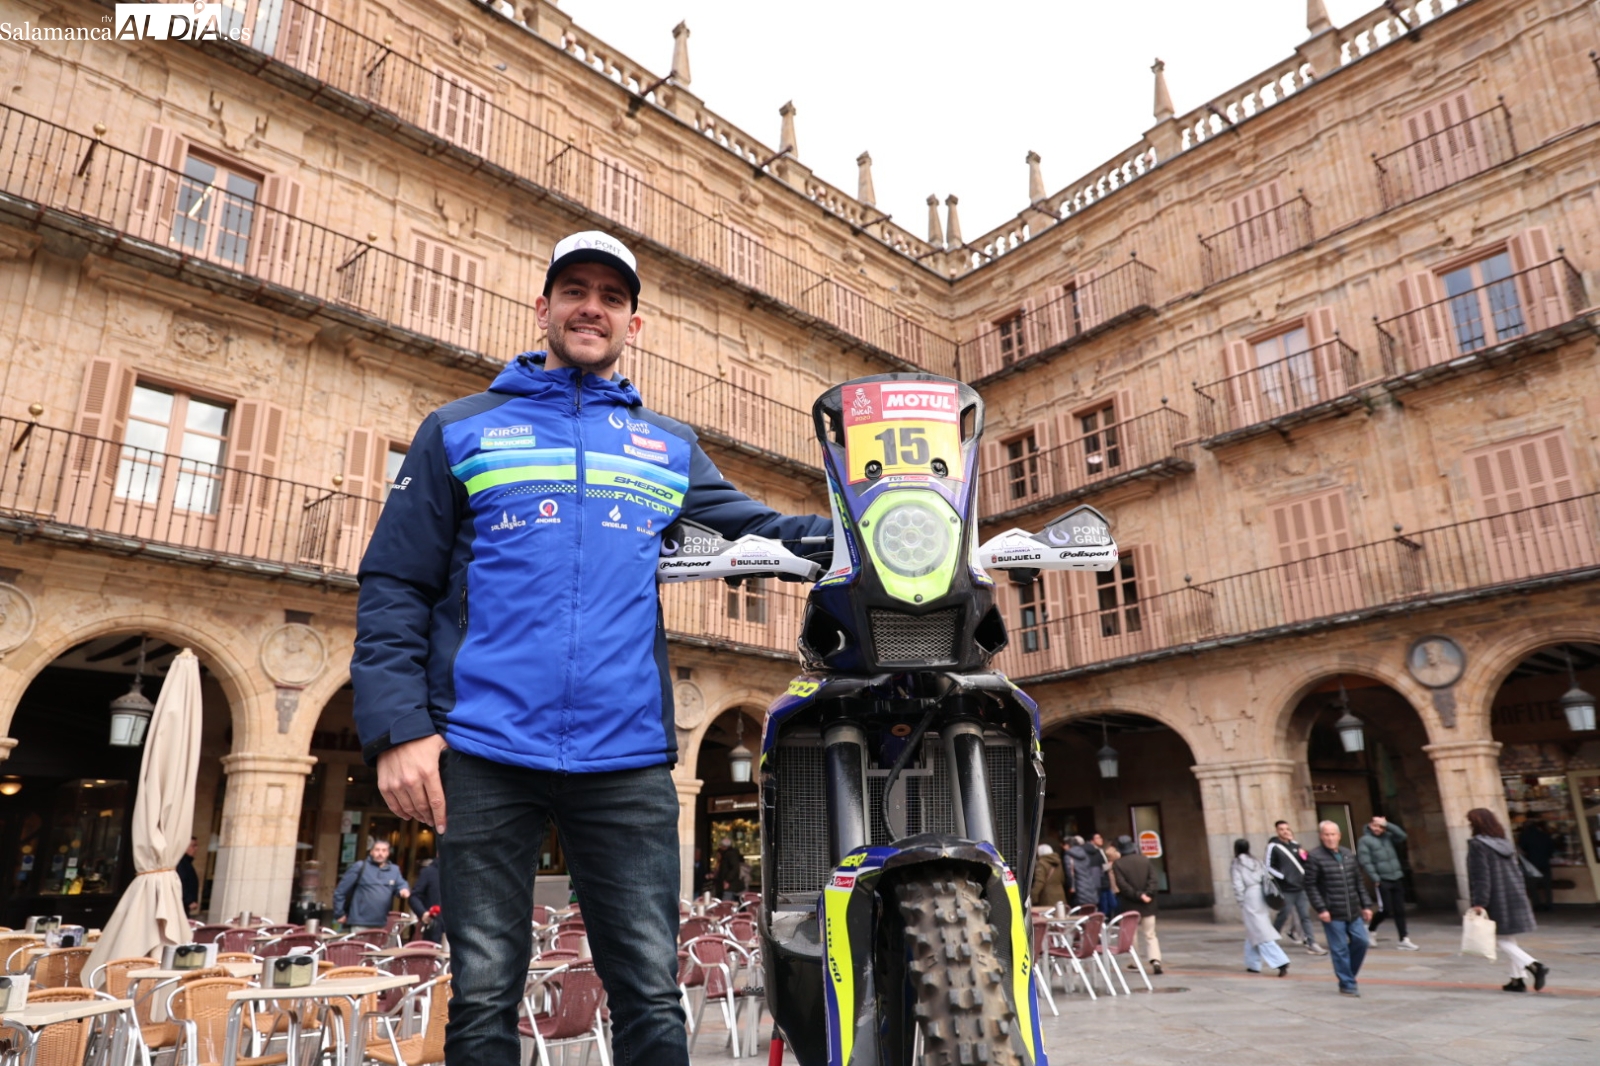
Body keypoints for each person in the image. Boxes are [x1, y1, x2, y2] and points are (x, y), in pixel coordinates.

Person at [351, 230, 830, 1066]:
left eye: (611, 298)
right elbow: (395, 584)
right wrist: (399, 729)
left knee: (650, 991)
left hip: (627, 757)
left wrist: (886, 533)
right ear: (543, 308)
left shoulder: (667, 446)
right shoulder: (459, 429)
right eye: (574, 290)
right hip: (484, 749)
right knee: (486, 993)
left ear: (633, 325)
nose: (591, 307)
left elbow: (767, 533)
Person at [1466, 808, 1549, 993]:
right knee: (1508, 937)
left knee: (1498, 938)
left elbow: (1481, 877)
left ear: (1476, 824)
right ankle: (1517, 980)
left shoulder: (1477, 845)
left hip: (1496, 897)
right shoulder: (1505, 843)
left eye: (1470, 822)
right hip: (1513, 893)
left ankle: (1534, 965)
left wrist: (1479, 902)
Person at [1303, 820, 1372, 997]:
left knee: (1361, 941)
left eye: (1333, 834)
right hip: (1332, 912)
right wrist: (1321, 908)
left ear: (1339, 836)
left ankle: (1348, 975)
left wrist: (1366, 905)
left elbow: (1358, 882)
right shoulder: (1315, 857)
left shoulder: (1348, 854)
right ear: (1321, 836)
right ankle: (1348, 984)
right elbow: (1310, 886)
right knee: (1339, 948)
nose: (1330, 838)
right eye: (1326, 834)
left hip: (1353, 910)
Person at [1231, 839, 1291, 977]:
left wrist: (1241, 900)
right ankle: (1253, 964)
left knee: (1260, 931)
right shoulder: (1256, 860)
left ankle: (1280, 961)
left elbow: (1237, 884)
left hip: (1249, 895)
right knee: (1253, 929)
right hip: (1261, 895)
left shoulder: (1237, 863)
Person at [1358, 815, 1418, 950]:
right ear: (1370, 825)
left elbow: (1402, 836)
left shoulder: (1388, 837)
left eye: (1380, 827)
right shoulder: (1365, 840)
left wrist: (1387, 824)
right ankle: (1370, 930)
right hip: (1382, 880)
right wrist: (1376, 879)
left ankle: (1403, 938)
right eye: (1375, 826)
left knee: (1400, 910)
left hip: (1396, 876)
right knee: (1385, 909)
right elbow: (1365, 861)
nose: (1377, 829)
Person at [1266, 821, 1325, 955]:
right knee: (1283, 915)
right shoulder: (1273, 847)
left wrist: (1303, 855)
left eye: (1287, 829)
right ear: (1277, 831)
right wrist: (1283, 876)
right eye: (1281, 829)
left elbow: (1304, 861)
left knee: (1305, 916)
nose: (1285, 831)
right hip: (1286, 888)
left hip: (1301, 887)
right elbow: (1269, 866)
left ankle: (1312, 943)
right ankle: (1271, 942)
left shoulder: (1296, 845)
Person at [1112, 834, 1162, 974]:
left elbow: (1122, 885)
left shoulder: (1118, 864)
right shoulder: (1145, 860)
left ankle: (1135, 962)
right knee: (1150, 934)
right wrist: (1147, 894)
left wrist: (1138, 895)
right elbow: (1153, 880)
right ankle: (1156, 960)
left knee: (1132, 934)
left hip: (1130, 904)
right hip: (1148, 904)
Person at [333, 841, 411, 931]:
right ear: (371, 852)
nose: (380, 853)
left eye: (384, 850)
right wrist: (339, 914)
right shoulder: (360, 867)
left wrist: (403, 890)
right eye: (377, 850)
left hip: (381, 922)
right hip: (360, 922)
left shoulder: (394, 870)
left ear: (388, 853)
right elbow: (340, 891)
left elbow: (401, 884)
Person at [1517, 819, 1555, 911]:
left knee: (1533, 886)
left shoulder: (1525, 836)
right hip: (1545, 863)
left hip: (1531, 864)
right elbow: (1552, 849)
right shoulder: (1544, 835)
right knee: (1547, 886)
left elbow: (1520, 850)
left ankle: (1537, 905)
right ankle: (1549, 905)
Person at [410, 856, 444, 943]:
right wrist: (423, 913)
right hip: (435, 928)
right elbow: (414, 897)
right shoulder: (428, 872)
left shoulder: (463, 872)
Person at [1064, 836, 1101, 910]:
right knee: (1090, 910)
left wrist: (1070, 887)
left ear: (1068, 845)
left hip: (1078, 886)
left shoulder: (1068, 855)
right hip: (1090, 884)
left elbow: (1070, 874)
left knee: (1079, 912)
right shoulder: (1084, 853)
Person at [1088, 833, 1118, 917]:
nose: (1100, 839)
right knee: (1104, 905)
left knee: (1113, 904)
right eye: (1097, 838)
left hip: (1106, 881)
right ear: (1092, 841)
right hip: (1100, 882)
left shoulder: (1101, 850)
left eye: (1101, 837)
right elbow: (1098, 867)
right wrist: (1109, 865)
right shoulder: (1093, 853)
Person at [1030, 844, 1067, 909]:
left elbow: (1040, 881)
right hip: (1060, 893)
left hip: (1047, 895)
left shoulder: (1041, 863)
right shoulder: (1058, 861)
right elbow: (1062, 879)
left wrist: (1033, 896)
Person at [714, 836, 746, 901]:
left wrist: (727, 880)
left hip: (730, 884)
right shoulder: (728, 854)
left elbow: (734, 868)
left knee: (726, 903)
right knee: (730, 902)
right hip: (729, 884)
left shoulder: (730, 854)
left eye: (721, 845)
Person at [176, 837, 200, 916]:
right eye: (193, 846)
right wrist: (189, 900)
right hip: (181, 905)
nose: (196, 849)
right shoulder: (181, 863)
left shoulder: (186, 862)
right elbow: (181, 881)